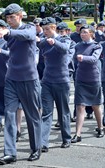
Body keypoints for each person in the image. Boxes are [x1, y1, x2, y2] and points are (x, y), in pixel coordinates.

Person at [0, 3, 42, 165]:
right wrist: (5, 32)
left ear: (20, 16)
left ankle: (36, 148)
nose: (9, 20)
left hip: (29, 78)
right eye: (7, 18)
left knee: (32, 115)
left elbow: (27, 35)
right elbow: (8, 37)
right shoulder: (9, 33)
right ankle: (9, 152)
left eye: (12, 17)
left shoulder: (28, 28)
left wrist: (9, 31)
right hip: (11, 78)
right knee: (9, 114)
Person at [38, 17, 72, 152]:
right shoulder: (43, 41)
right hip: (47, 81)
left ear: (53, 28)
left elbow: (65, 49)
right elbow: (37, 47)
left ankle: (66, 138)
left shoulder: (64, 39)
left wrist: (54, 42)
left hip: (61, 80)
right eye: (43, 29)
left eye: (47, 29)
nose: (44, 32)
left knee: (63, 111)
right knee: (46, 112)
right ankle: (43, 143)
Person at [71, 24, 104, 143]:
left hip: (93, 79)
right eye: (81, 32)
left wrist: (83, 58)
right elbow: (73, 59)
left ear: (91, 33)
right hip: (80, 78)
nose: (82, 34)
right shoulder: (78, 46)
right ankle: (77, 134)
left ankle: (100, 127)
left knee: (95, 105)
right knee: (80, 106)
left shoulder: (96, 46)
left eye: (85, 32)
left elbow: (94, 59)